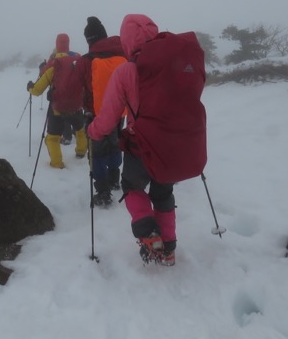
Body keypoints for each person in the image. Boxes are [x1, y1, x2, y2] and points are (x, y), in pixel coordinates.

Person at [88, 14, 180, 266]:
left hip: (141, 143)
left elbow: (108, 118)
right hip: (170, 145)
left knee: (132, 187)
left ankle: (148, 233)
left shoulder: (126, 71)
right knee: (163, 194)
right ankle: (168, 247)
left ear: (127, 41)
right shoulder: (173, 65)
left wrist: (93, 132)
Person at [76, 16, 126, 206]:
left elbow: (75, 86)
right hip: (118, 113)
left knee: (96, 153)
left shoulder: (86, 61)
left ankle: (103, 191)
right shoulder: (123, 54)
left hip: (94, 114)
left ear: (89, 40)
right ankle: (114, 179)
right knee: (114, 144)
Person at [27, 33, 88, 168]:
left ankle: (57, 163)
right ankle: (81, 152)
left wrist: (30, 88)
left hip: (57, 108)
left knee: (53, 138)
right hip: (77, 105)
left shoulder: (53, 63)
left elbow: (37, 90)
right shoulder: (77, 60)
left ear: (56, 43)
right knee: (80, 130)